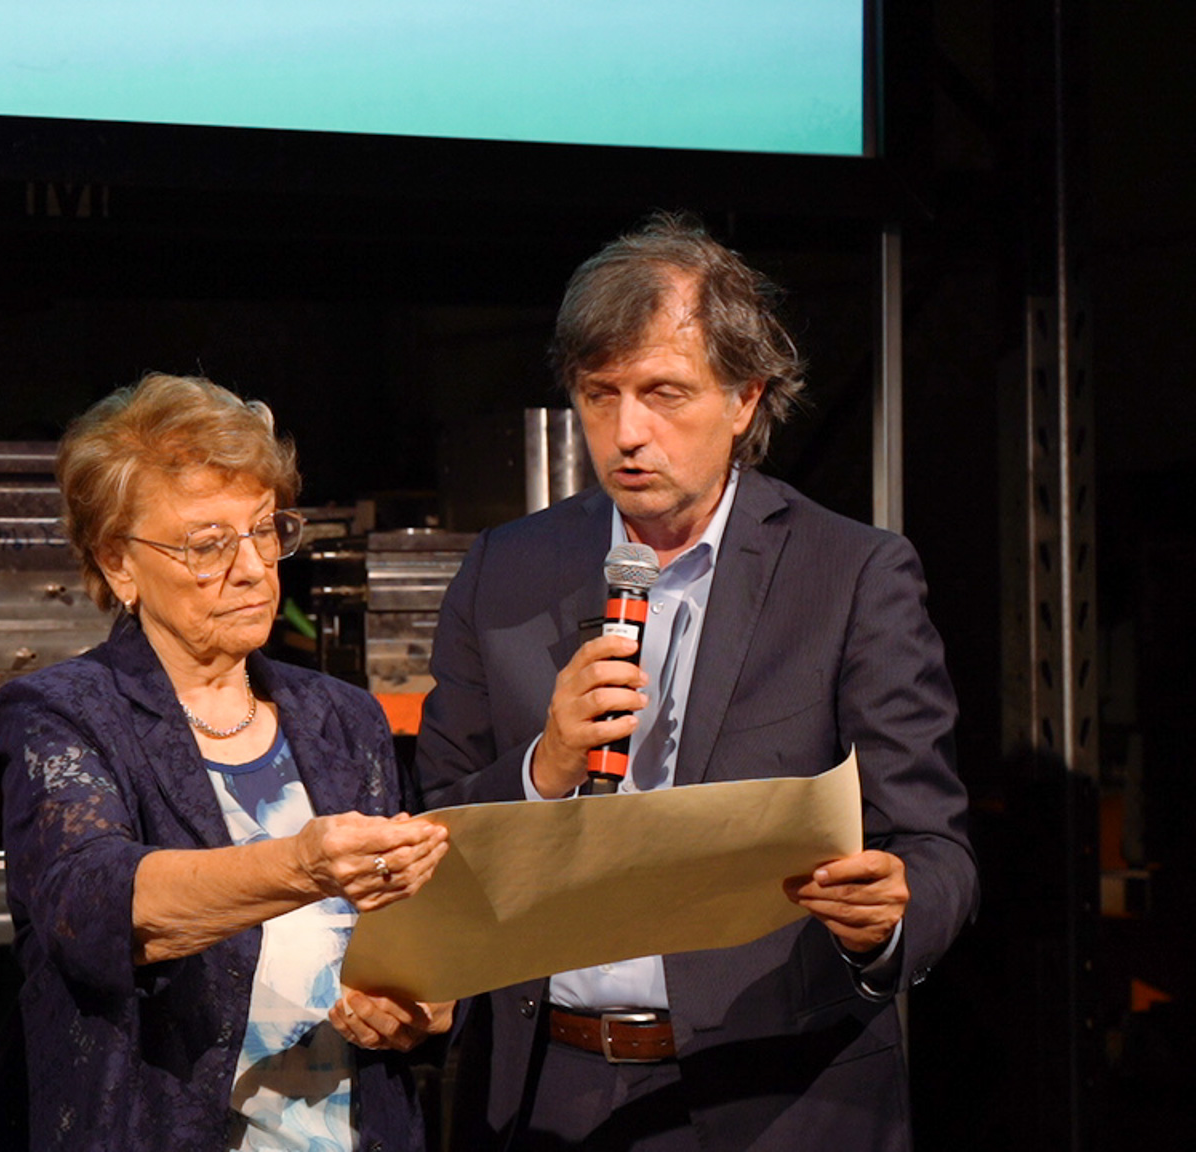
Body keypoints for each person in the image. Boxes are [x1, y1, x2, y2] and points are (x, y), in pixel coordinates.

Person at [417, 214, 977, 1151]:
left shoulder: (850, 575)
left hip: (775, 1093)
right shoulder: (504, 572)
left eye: (664, 393)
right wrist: (544, 768)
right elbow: (430, 826)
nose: (628, 433)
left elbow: (935, 845)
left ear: (746, 399)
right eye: (601, 395)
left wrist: (889, 915)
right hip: (542, 1090)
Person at [0, 373, 454, 1151]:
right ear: (118, 564)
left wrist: (419, 1008)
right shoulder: (66, 713)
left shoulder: (344, 721)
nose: (252, 567)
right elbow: (96, 901)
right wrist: (301, 865)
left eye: (265, 530)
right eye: (208, 543)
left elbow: (412, 953)